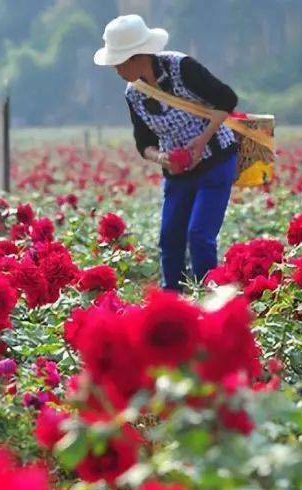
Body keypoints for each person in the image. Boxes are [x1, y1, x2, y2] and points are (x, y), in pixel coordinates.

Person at [94, 15, 239, 292]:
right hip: (178, 172)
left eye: (119, 62)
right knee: (170, 238)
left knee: (199, 235)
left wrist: (203, 138)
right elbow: (143, 143)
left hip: (215, 161)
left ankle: (209, 298)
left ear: (137, 57)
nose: (116, 70)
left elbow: (227, 99)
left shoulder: (181, 67)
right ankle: (171, 299)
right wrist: (163, 158)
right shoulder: (133, 93)